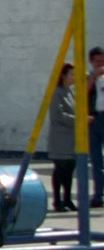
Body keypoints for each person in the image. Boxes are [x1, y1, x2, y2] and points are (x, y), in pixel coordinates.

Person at [49, 63, 78, 211]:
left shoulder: (70, 92)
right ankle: (57, 200)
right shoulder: (57, 92)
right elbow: (58, 115)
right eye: (71, 74)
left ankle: (67, 199)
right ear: (63, 76)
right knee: (60, 169)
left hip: (71, 139)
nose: (74, 77)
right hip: (60, 138)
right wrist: (78, 119)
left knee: (69, 170)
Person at [87, 47, 104, 207]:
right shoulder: (88, 77)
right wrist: (93, 78)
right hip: (95, 118)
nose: (101, 65)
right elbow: (82, 93)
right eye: (97, 62)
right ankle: (99, 194)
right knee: (96, 159)